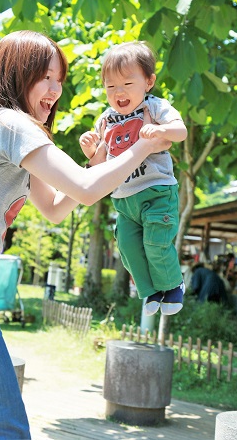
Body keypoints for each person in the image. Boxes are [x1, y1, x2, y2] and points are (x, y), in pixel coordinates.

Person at [0, 31, 173, 439]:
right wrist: (144, 145)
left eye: (59, 81)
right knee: (3, 428)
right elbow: (87, 191)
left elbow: (56, 206)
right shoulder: (10, 123)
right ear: (18, 74)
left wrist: (100, 162)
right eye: (45, 78)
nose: (54, 91)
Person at [79, 41, 187, 317]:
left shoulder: (156, 106)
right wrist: (91, 150)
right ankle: (150, 290)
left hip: (156, 191)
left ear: (149, 82)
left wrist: (158, 130)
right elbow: (99, 164)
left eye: (127, 83)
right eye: (111, 86)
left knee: (155, 241)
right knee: (126, 246)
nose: (119, 92)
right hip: (123, 200)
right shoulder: (106, 119)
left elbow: (180, 131)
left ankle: (173, 285)